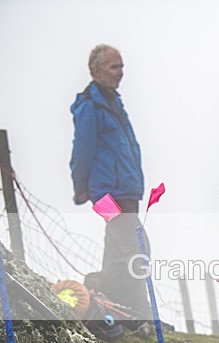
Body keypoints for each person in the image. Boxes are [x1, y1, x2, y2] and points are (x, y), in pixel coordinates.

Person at [70, 44, 150, 318]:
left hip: (127, 192)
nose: (120, 72)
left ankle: (110, 303)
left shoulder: (114, 102)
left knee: (117, 247)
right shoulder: (90, 105)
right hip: (104, 196)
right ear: (95, 69)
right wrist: (80, 188)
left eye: (122, 67)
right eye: (114, 67)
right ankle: (140, 311)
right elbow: (82, 149)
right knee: (137, 245)